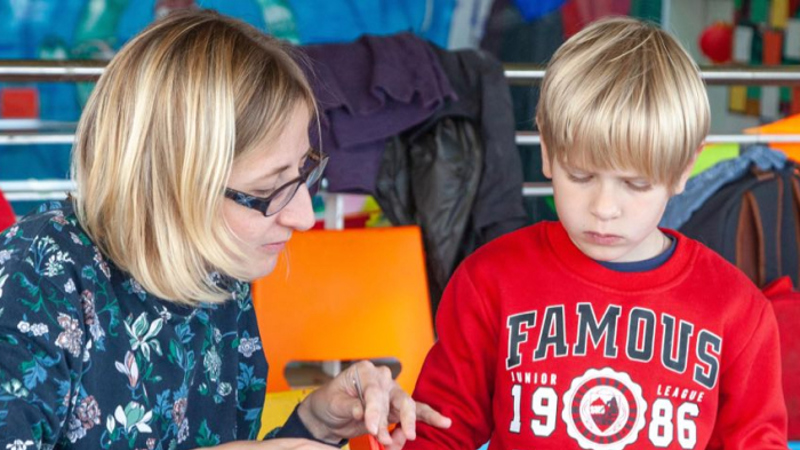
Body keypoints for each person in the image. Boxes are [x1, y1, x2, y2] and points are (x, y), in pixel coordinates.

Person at [0, 9, 450, 450]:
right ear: (171, 186)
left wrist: (316, 424)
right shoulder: (38, 275)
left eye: (304, 171)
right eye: (269, 189)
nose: (303, 217)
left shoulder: (219, 270)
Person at [405, 17, 788, 449]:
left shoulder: (737, 310)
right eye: (581, 175)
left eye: (636, 184)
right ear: (547, 151)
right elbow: (439, 432)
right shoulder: (490, 281)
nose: (604, 208)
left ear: (684, 169)